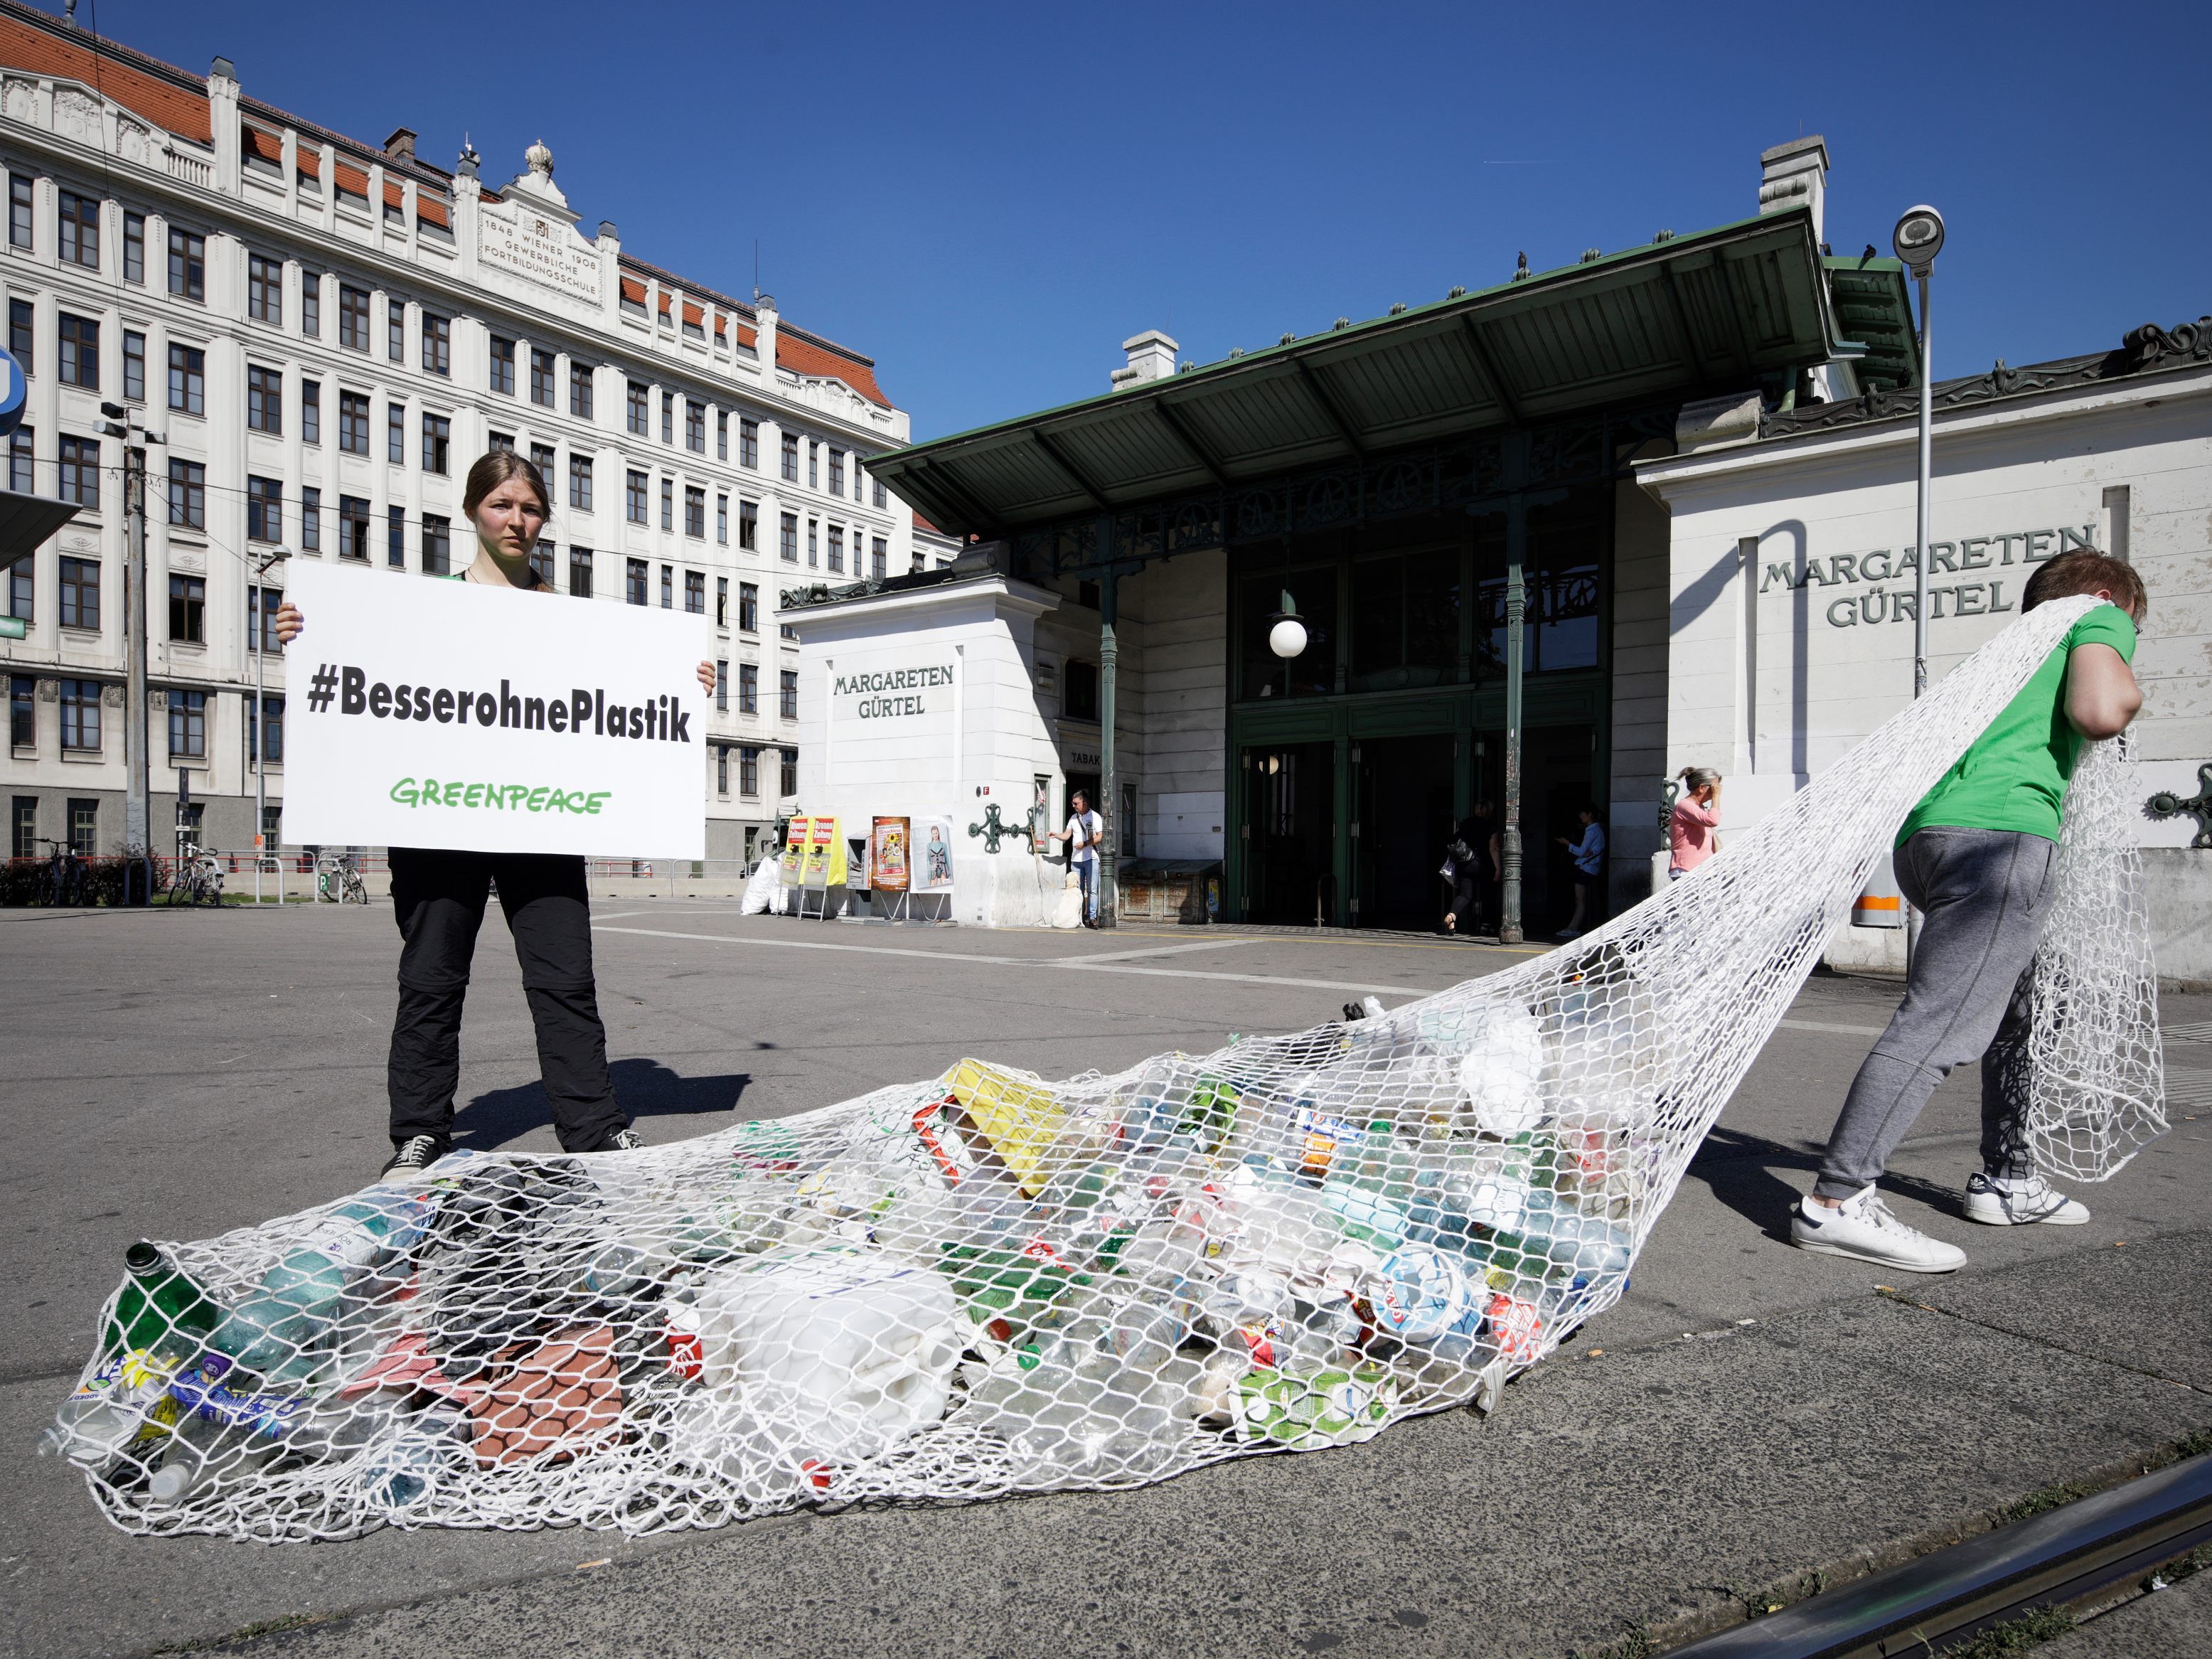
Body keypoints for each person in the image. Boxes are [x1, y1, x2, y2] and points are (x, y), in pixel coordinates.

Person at [274, 451, 717, 1176]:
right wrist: (306, 634)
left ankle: (594, 1128)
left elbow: (623, 709)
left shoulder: (576, 619)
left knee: (564, 979)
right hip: (439, 821)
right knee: (431, 978)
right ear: (473, 511)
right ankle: (419, 1130)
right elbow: (361, 678)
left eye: (532, 508)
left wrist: (684, 679)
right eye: (502, 505)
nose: (518, 520)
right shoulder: (421, 610)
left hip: (541, 822)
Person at [1792, 550, 2146, 1272]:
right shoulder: (2095, 615)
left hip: (1930, 840)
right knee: (1943, 1019)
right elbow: (2100, 710)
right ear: (2103, 597)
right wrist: (2127, 681)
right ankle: (1836, 1200)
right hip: (2001, 840)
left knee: (2016, 1009)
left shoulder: (2006, 656)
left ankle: (2007, 1176)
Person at [1047, 789, 1104, 927]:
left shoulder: (1095, 817)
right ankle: (1077, 917)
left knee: (1092, 889)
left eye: (1075, 803)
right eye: (1073, 803)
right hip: (1076, 860)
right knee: (1075, 891)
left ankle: (1092, 917)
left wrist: (1085, 844)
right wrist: (1056, 835)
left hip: (1091, 858)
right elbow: (1067, 835)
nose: (1073, 805)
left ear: (1084, 803)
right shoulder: (1074, 818)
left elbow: (1099, 837)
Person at [1441, 806, 1497, 936]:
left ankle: (1451, 916)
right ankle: (1485, 925)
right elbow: (1493, 849)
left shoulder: (1464, 824)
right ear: (1489, 812)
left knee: (1465, 894)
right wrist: (1498, 868)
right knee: (1487, 893)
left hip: (1464, 863)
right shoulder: (1491, 826)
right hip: (1481, 863)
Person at [1554, 804, 1605, 938]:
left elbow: (1581, 852)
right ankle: (1572, 927)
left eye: (1583, 814)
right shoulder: (1597, 830)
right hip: (1589, 868)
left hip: (1585, 868)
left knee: (1580, 900)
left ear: (1590, 815)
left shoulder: (1592, 830)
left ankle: (1573, 928)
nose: (1581, 817)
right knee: (1581, 900)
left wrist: (1567, 844)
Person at [1669, 768, 1722, 878]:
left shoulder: (1700, 808)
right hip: (1686, 871)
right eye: (1714, 788)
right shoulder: (1685, 806)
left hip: (1702, 871)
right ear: (1702, 788)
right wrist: (1716, 797)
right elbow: (1712, 820)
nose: (1717, 791)